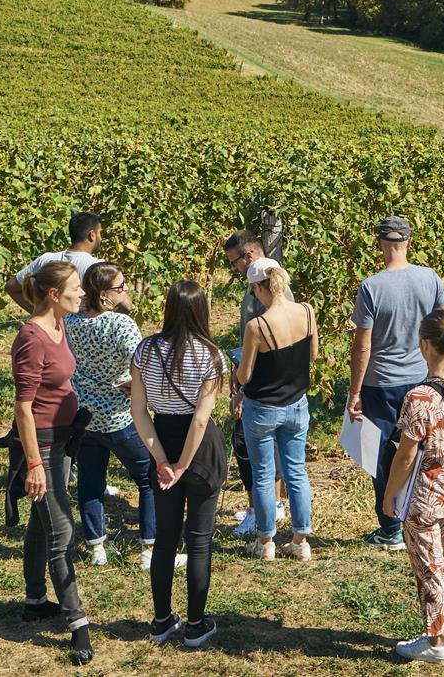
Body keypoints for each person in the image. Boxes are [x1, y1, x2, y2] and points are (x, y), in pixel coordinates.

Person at [347, 214, 444, 550]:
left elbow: (363, 345)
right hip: (421, 378)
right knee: (418, 448)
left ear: (380, 244)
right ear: (409, 243)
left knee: (381, 455)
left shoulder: (371, 287)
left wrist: (355, 391)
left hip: (379, 383)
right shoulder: (429, 279)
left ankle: (390, 527)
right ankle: (422, 514)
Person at [381, 309, 444, 665]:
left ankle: (436, 640)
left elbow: (406, 457)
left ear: (425, 344)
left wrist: (390, 494)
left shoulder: (418, 399)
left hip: (426, 488)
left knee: (429, 565)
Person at [131, 280, 229, 650]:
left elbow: (139, 411)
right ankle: (195, 623)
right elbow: (201, 421)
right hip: (200, 452)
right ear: (202, 310)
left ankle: (160, 620)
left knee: (165, 539)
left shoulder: (145, 350)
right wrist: (184, 465)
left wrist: (162, 461)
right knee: (200, 541)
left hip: (163, 439)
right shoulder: (211, 355)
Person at [67, 263, 182, 572]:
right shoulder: (121, 325)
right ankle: (149, 548)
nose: (127, 291)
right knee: (149, 479)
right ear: (104, 296)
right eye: (121, 288)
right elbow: (142, 366)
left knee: (90, 483)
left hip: (85, 417)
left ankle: (97, 548)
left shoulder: (69, 323)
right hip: (122, 417)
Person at [11, 260, 94, 666]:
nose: (82, 293)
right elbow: (23, 408)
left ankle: (34, 600)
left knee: (40, 524)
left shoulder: (58, 327)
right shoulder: (31, 339)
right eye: (76, 288)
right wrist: (33, 465)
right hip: (42, 446)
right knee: (62, 531)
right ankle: (78, 623)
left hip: (61, 442)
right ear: (53, 294)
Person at [232, 258, 316, 561]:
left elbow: (244, 376)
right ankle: (300, 540)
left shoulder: (257, 326)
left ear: (257, 287)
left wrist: (239, 363)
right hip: (297, 403)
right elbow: (314, 353)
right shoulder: (307, 311)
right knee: (297, 471)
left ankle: (266, 540)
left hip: (263, 407)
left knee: (264, 474)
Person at [221, 227, 285, 540]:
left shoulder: (269, 287)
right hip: (253, 372)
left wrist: (243, 381)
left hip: (260, 380)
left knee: (253, 447)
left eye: (234, 262)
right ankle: (268, 505)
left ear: (249, 256)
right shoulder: (256, 283)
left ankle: (263, 511)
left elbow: (269, 340)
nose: (233, 268)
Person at [7, 212, 106, 309]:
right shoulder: (97, 267)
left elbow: (11, 287)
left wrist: (40, 314)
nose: (101, 237)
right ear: (92, 235)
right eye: (100, 233)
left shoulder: (46, 259)